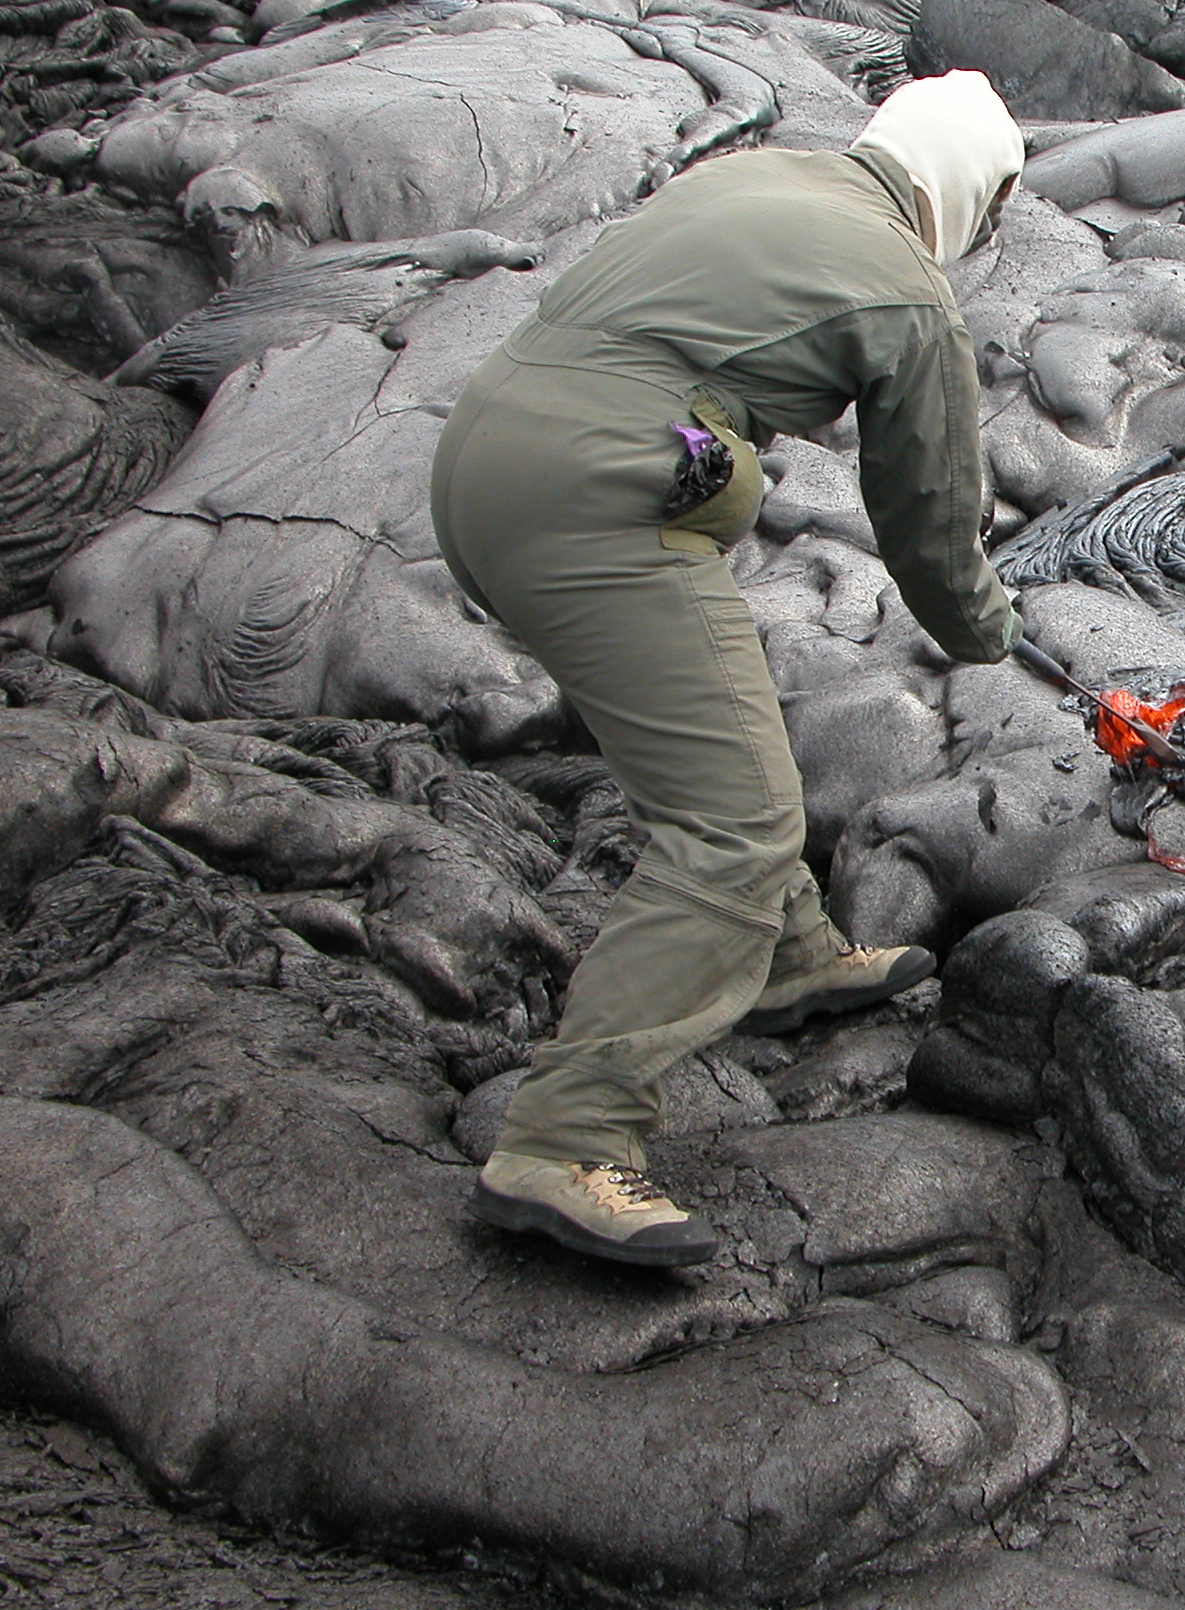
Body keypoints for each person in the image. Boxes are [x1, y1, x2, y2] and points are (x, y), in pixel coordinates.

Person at [429, 70, 1028, 1268]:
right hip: (594, 500)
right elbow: (926, 528)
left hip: (483, 463)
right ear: (972, 191)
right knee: (741, 823)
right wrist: (992, 635)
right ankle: (564, 1138)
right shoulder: (908, 292)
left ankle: (789, 959)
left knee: (711, 735)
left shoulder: (753, 175)